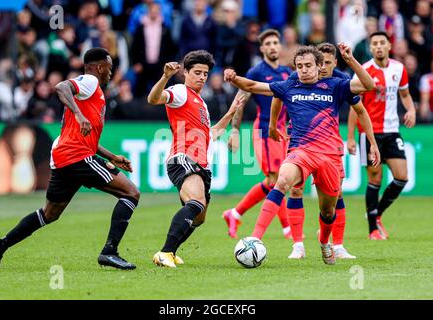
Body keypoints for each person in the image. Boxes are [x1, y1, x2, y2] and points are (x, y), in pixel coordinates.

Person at [0, 48, 140, 270]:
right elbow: (61, 86)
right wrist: (78, 113)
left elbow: (87, 139)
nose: (111, 72)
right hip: (76, 156)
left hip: (65, 156)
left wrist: (112, 157)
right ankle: (109, 252)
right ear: (99, 67)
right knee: (131, 193)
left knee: (49, 214)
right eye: (109, 67)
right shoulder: (90, 81)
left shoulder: (92, 94)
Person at [224, 44, 380, 265]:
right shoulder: (290, 85)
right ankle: (255, 238)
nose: (304, 70)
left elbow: (369, 85)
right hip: (301, 151)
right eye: (299, 66)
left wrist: (351, 59)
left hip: (329, 156)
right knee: (282, 181)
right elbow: (252, 85)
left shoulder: (336, 85)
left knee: (328, 211)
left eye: (308, 65)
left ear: (319, 66)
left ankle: (326, 242)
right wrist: (233, 78)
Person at [147, 50, 243, 268]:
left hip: (201, 163)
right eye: (197, 72)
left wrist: (231, 112)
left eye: (205, 73)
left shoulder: (200, 102)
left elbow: (211, 134)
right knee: (196, 203)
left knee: (199, 217)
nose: (201, 77)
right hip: (183, 158)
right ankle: (165, 252)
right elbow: (153, 99)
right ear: (186, 73)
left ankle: (171, 252)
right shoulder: (180, 91)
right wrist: (165, 77)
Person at [285, 43, 378, 260]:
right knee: (295, 189)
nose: (323, 67)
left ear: (335, 62)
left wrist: (369, 141)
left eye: (328, 62)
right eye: (321, 62)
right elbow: (278, 98)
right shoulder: (297, 76)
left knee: (336, 195)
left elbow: (361, 110)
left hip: (328, 145)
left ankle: (337, 245)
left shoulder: (339, 82)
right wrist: (273, 125)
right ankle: (298, 245)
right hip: (301, 141)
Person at [222, 29, 293, 240]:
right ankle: (287, 227)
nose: (272, 46)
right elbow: (240, 101)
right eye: (268, 43)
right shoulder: (256, 72)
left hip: (282, 133)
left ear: (280, 46)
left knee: (280, 180)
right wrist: (234, 130)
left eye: (275, 42)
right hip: (263, 131)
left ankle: (234, 213)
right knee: (275, 179)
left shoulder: (286, 73)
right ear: (262, 48)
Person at [347, 31, 416, 240]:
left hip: (392, 130)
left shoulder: (399, 68)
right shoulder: (364, 70)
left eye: (381, 43)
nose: (378, 46)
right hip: (369, 133)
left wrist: (411, 110)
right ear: (370, 48)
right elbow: (353, 106)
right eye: (374, 43)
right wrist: (350, 137)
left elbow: (404, 94)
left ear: (388, 46)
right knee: (374, 178)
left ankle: (377, 214)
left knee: (402, 177)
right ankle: (372, 229)